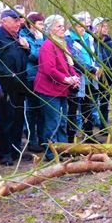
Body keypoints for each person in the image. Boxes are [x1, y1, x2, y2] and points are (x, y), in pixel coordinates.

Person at [0, 9, 29, 166]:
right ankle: (5, 153)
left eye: (19, 21)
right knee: (7, 118)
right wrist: (8, 74)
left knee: (18, 118)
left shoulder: (17, 37)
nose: (18, 23)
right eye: (14, 20)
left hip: (20, 84)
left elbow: (24, 58)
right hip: (6, 84)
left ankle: (16, 149)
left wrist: (27, 48)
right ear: (4, 21)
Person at [34, 15, 80, 160]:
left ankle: (63, 150)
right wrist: (67, 79)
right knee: (52, 122)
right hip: (48, 90)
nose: (62, 29)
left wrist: (75, 78)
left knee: (62, 121)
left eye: (62, 26)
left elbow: (70, 64)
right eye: (59, 26)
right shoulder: (48, 45)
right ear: (51, 29)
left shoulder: (63, 44)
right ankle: (51, 153)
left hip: (62, 90)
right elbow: (49, 69)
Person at [65, 12, 102, 142]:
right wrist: (90, 69)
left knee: (88, 106)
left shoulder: (89, 37)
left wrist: (97, 66)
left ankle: (89, 134)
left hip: (91, 78)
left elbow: (96, 54)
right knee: (73, 109)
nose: (84, 29)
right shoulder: (68, 39)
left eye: (85, 26)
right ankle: (70, 138)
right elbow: (75, 59)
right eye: (81, 26)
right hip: (77, 78)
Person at [20, 12, 46, 152]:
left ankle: (42, 139)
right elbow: (36, 55)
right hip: (31, 77)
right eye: (40, 24)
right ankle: (32, 139)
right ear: (31, 24)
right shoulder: (23, 36)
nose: (42, 27)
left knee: (42, 110)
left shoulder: (41, 36)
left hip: (43, 77)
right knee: (32, 110)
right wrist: (39, 42)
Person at [93, 17, 112, 128]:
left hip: (107, 77)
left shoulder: (110, 42)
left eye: (107, 26)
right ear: (96, 27)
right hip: (94, 76)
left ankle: (104, 126)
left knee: (104, 102)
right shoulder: (91, 41)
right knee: (92, 102)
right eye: (103, 26)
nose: (106, 28)